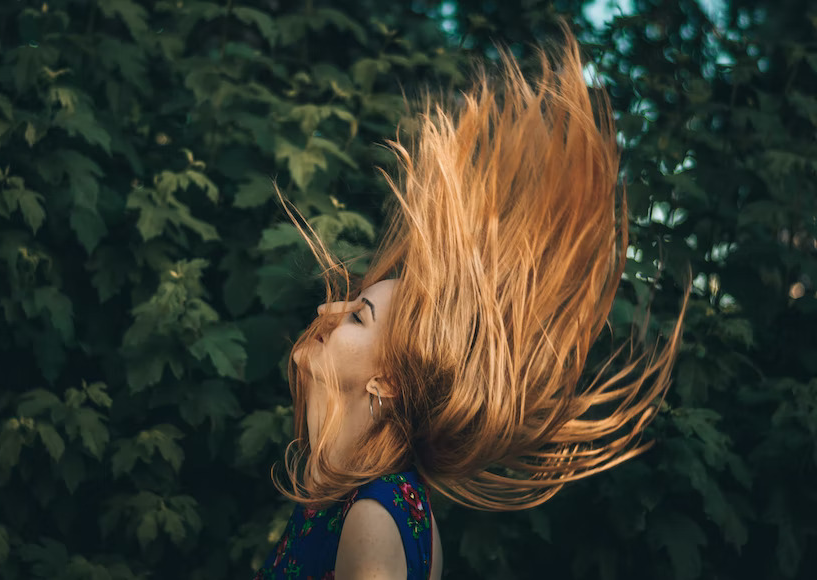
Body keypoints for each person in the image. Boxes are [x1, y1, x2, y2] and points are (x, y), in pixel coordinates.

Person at [254, 21, 687, 580]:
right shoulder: (375, 506)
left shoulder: (371, 517)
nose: (327, 312)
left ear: (386, 381)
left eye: (359, 316)